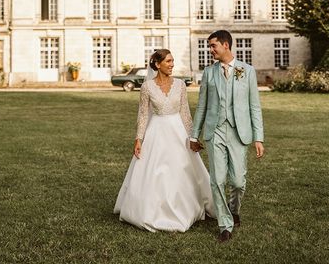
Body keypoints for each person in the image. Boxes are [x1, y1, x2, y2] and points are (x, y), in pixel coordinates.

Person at [114, 49, 214, 232]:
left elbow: (185, 112)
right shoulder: (147, 87)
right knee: (155, 171)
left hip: (178, 133)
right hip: (156, 133)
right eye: (168, 61)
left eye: (172, 61)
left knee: (182, 169)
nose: (172, 64)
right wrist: (139, 139)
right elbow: (143, 115)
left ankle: (186, 206)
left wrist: (192, 137)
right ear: (157, 64)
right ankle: (152, 209)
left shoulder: (180, 85)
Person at [190, 30, 265, 242]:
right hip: (215, 131)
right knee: (218, 180)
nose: (210, 49)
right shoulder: (209, 72)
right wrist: (194, 135)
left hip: (239, 131)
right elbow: (202, 106)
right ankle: (225, 223)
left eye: (213, 46)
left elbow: (254, 106)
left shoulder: (247, 71)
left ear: (225, 45)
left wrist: (258, 138)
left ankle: (234, 209)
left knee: (238, 181)